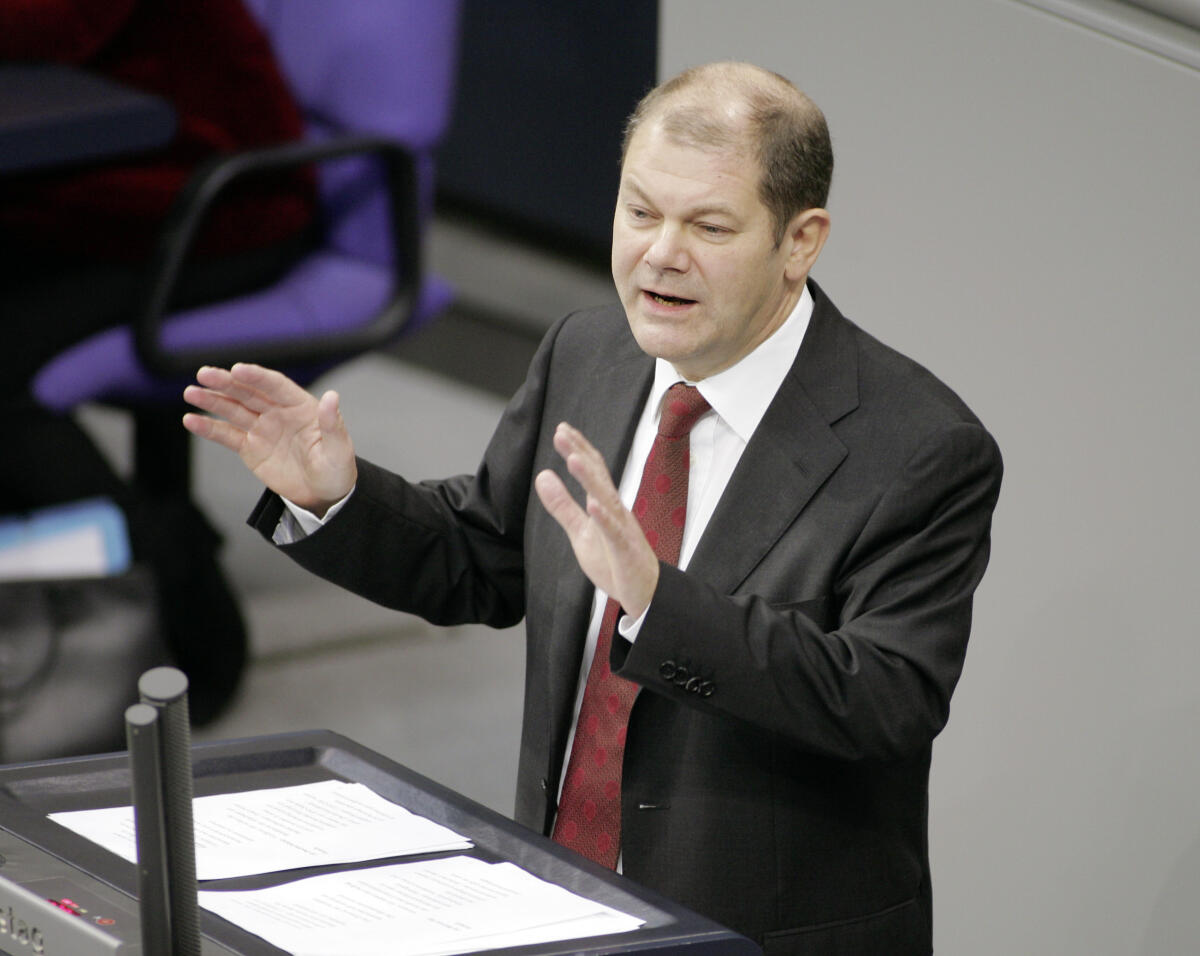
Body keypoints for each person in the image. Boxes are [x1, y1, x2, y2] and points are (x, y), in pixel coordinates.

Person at [183, 62, 1003, 953]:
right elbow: (486, 557)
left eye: (709, 226)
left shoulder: (919, 449)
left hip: (760, 932)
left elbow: (884, 699)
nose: (660, 253)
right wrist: (335, 495)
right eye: (640, 211)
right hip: (559, 903)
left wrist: (659, 604)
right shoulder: (591, 351)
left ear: (799, 241)